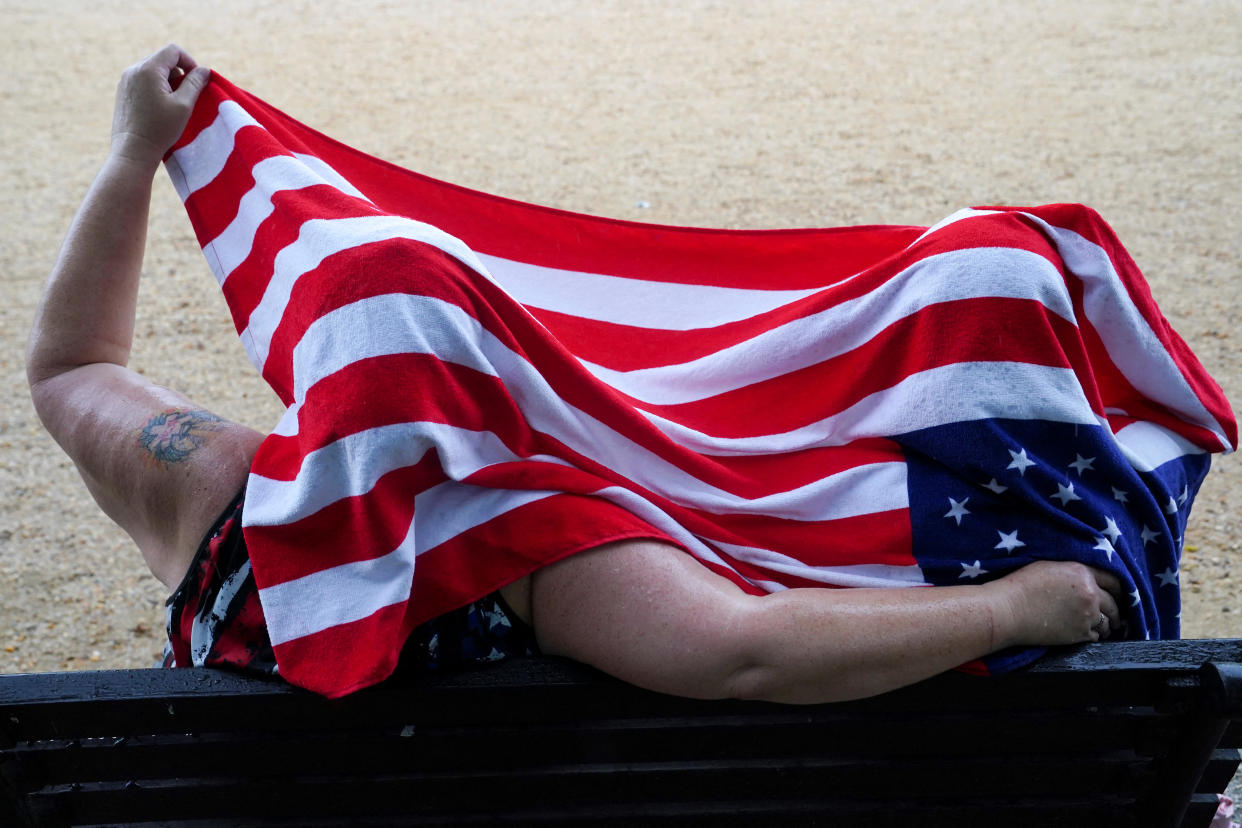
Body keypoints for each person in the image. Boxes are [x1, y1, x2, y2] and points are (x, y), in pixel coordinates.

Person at [26, 44, 1128, 705]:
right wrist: (1009, 607)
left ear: (318, 386)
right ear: (494, 367)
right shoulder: (544, 552)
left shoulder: (207, 494)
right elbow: (748, 654)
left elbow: (70, 367)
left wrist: (134, 151)